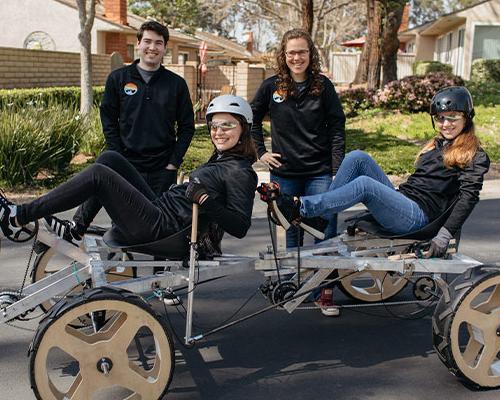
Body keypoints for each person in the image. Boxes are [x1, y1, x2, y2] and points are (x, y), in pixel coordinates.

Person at [263, 86, 490, 315]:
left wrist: (444, 236)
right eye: (440, 118)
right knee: (357, 158)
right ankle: (319, 219)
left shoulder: (474, 154)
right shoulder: (437, 145)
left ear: (467, 118)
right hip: (404, 200)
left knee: (365, 185)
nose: (446, 124)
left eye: (453, 118)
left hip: (418, 217)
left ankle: (300, 207)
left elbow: (467, 198)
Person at [0, 95, 257, 251]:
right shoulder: (224, 159)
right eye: (214, 125)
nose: (218, 131)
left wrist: (204, 200)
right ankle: (76, 229)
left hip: (164, 230)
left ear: (243, 129)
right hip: (161, 212)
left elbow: (239, 226)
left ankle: (19, 216)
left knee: (99, 174)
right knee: (111, 158)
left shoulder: (241, 171)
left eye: (228, 125)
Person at [41, 20, 197, 245]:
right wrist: (117, 153)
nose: (152, 47)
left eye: (159, 43)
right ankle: (78, 227)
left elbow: (187, 127)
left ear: (164, 48)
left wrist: (173, 162)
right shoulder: (118, 79)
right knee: (107, 175)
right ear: (138, 43)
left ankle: (162, 279)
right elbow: (108, 119)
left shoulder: (176, 84)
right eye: (148, 41)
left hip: (161, 169)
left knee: (159, 232)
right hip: (127, 162)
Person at [251, 28, 346, 248]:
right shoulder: (271, 86)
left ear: (311, 54)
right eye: (291, 53)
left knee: (325, 230)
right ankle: (295, 281)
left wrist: (336, 168)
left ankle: (327, 281)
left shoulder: (323, 86)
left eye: (302, 52)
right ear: (283, 55)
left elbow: (337, 127)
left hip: (319, 174)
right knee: (292, 232)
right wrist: (261, 152)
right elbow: (250, 120)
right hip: (285, 174)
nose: (297, 58)